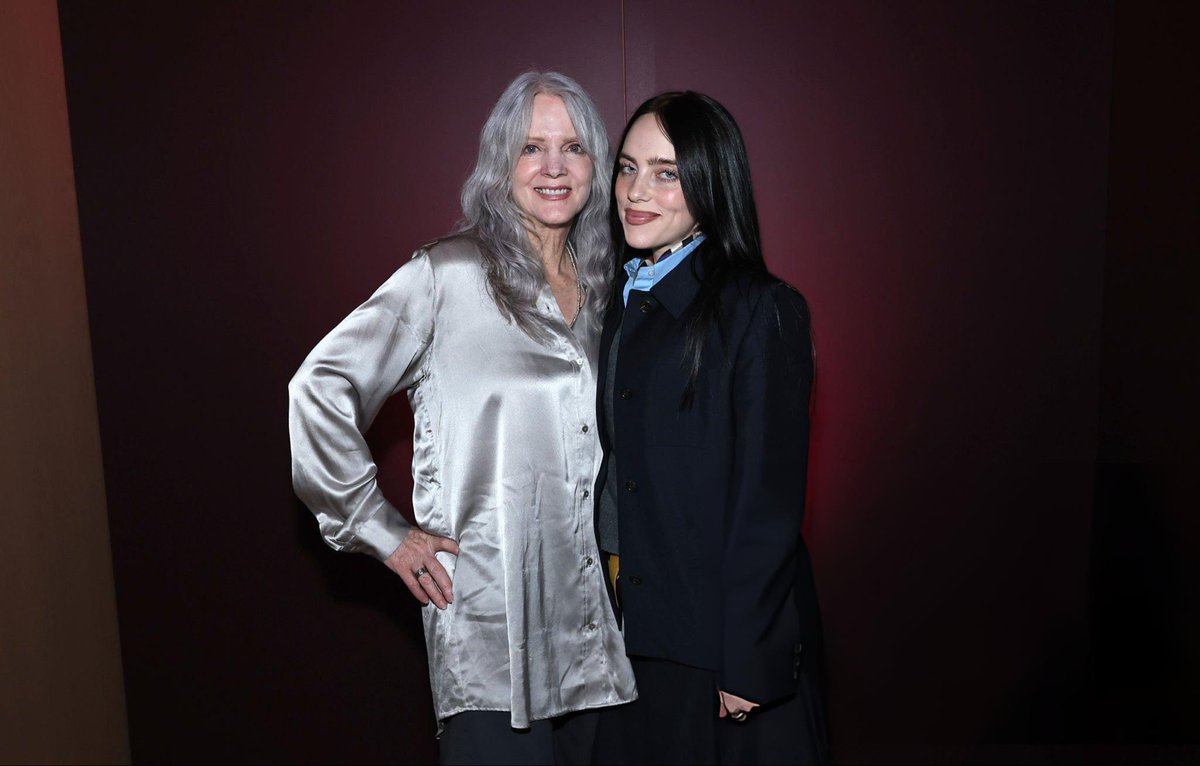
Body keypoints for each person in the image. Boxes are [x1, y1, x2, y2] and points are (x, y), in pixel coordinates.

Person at [288, 71, 636, 766]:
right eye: (532, 147)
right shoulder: (445, 277)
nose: (555, 167)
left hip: (603, 643)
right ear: (500, 161)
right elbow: (319, 386)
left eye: (574, 148)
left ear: (597, 166)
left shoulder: (609, 293)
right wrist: (378, 528)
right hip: (491, 643)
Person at [592, 91, 828, 764]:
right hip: (631, 631)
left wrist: (747, 658)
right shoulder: (623, 298)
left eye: (667, 172)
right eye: (628, 167)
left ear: (711, 182)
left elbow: (767, 503)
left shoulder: (761, 310)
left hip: (714, 644)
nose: (637, 191)